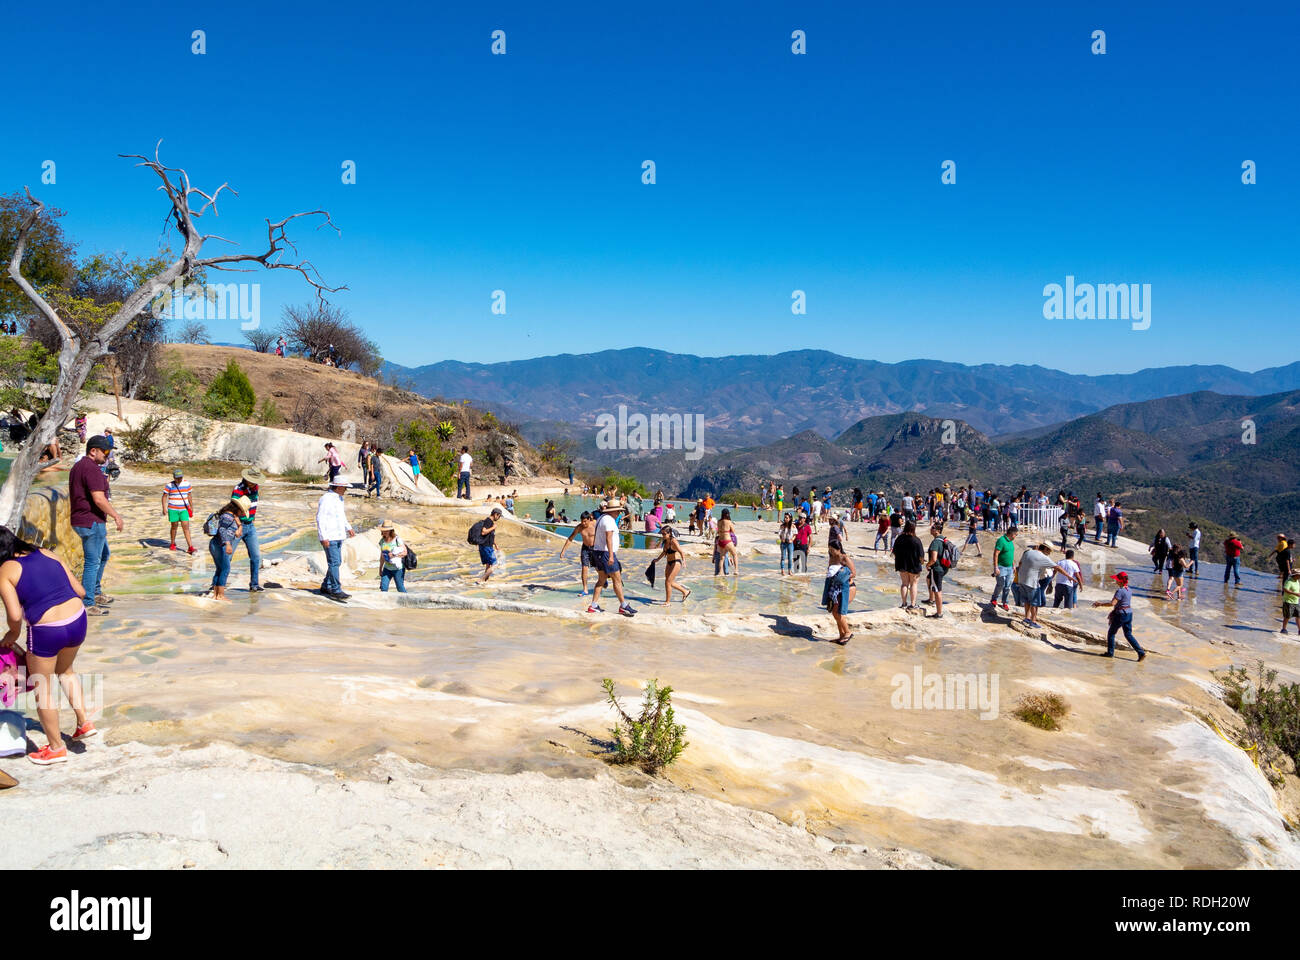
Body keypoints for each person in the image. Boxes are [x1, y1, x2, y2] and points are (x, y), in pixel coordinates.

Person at [0, 527, 97, 765]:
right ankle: (84, 723)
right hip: (78, 619)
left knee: (42, 687)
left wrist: (11, 635)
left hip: (46, 630)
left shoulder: (4, 571)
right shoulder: (46, 553)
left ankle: (55, 748)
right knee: (66, 671)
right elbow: (81, 591)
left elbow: (14, 616)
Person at [68, 436, 122, 616]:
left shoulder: (78, 466)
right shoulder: (91, 469)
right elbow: (98, 499)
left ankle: (96, 592)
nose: (107, 455)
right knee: (92, 562)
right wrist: (115, 515)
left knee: (104, 554)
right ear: (93, 451)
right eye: (105, 451)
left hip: (81, 520)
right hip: (91, 521)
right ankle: (88, 602)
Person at [589, 500, 635, 617]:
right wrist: (610, 556)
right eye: (619, 511)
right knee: (617, 580)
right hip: (605, 553)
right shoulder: (609, 521)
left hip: (598, 552)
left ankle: (593, 606)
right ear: (613, 511)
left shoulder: (601, 518)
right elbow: (608, 538)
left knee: (601, 580)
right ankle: (623, 606)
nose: (620, 513)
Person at [316, 473, 356, 600]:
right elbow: (320, 518)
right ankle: (336, 590)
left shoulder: (339, 498)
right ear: (338, 487)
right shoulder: (326, 499)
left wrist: (348, 527)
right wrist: (323, 536)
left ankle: (326, 585)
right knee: (334, 562)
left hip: (338, 534)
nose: (346, 490)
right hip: (330, 535)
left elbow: (341, 515)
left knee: (336, 562)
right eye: (345, 488)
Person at [1093, 572, 1146, 661]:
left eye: (1117, 580)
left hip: (1121, 615)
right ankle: (1141, 652)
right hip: (1129, 613)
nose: (1116, 581)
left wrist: (1100, 604)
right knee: (1128, 634)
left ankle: (1110, 653)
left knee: (1111, 633)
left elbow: (1112, 603)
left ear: (1120, 581)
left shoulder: (1120, 591)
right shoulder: (1129, 589)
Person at [231, 467, 266, 592]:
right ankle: (216, 584)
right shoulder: (238, 489)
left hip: (250, 526)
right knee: (227, 556)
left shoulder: (255, 487)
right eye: (252, 480)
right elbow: (233, 510)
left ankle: (254, 584)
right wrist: (239, 525)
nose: (254, 483)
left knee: (256, 556)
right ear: (246, 479)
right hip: (237, 525)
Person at [207, 496, 249, 601]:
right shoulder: (228, 516)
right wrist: (228, 544)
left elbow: (230, 530)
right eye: (243, 511)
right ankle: (220, 595)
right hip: (220, 545)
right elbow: (222, 530)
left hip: (216, 544)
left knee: (220, 569)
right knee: (225, 569)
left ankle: (216, 594)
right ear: (238, 508)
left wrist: (239, 526)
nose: (243, 514)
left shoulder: (230, 516)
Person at [1014, 542, 1055, 629]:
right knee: (1035, 602)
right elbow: (1056, 568)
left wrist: (1019, 575)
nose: (1049, 553)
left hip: (1024, 580)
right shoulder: (1043, 557)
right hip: (1035, 581)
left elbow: (1020, 564)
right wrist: (1069, 577)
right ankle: (1033, 621)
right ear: (1045, 549)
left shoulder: (1028, 553)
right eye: (1049, 551)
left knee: (1027, 601)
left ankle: (1027, 618)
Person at [823, 543, 856, 644]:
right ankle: (841, 635)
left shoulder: (845, 558)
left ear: (839, 549)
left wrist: (842, 577)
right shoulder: (831, 559)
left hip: (846, 588)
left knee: (839, 612)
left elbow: (854, 573)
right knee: (834, 612)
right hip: (834, 589)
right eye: (829, 549)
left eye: (832, 549)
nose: (830, 551)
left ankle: (847, 632)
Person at [559, 511, 597, 595]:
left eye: (585, 521)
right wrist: (563, 551)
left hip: (595, 548)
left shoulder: (595, 524)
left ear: (589, 519)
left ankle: (603, 580)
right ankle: (585, 589)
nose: (583, 523)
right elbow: (570, 538)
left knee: (598, 568)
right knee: (584, 568)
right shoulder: (579, 528)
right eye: (582, 521)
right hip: (585, 548)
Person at [651, 526, 690, 603]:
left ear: (669, 533)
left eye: (664, 534)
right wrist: (657, 559)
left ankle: (667, 602)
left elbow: (681, 552)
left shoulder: (673, 541)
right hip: (669, 563)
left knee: (668, 582)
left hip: (676, 562)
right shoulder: (665, 541)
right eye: (662, 534)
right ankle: (685, 592)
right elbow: (664, 552)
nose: (663, 535)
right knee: (669, 582)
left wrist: (684, 561)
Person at [162, 468, 196, 554]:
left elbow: (189, 496)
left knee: (186, 527)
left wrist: (192, 507)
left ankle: (190, 547)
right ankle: (172, 543)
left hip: (184, 509)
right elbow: (164, 497)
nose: (179, 479)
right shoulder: (169, 485)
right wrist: (164, 508)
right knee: (174, 526)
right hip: (173, 509)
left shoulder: (187, 483)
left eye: (180, 477)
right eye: (177, 478)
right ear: (174, 477)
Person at [892, 520, 925, 610]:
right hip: (914, 565)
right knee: (913, 584)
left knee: (904, 584)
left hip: (902, 564)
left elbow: (894, 552)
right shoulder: (916, 540)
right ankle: (913, 604)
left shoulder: (899, 538)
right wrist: (922, 563)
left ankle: (903, 603)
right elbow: (921, 556)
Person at [472, 508, 503, 583]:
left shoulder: (489, 521)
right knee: (495, 564)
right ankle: (481, 580)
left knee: (488, 565)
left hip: (485, 546)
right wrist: (493, 527)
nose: (499, 518)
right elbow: (483, 532)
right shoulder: (489, 521)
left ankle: (485, 581)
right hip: (486, 547)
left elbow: (491, 535)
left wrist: (495, 544)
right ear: (496, 514)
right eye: (499, 516)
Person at [991, 526, 1016, 611]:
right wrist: (996, 567)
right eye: (1015, 535)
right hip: (1001, 567)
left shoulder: (1011, 542)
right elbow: (996, 554)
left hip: (1009, 567)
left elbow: (1011, 554)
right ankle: (994, 599)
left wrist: (1013, 565)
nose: (1016, 536)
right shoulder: (1001, 540)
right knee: (1000, 584)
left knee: (1007, 586)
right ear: (1012, 534)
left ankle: (1005, 602)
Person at [378, 521, 408, 593]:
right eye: (383, 530)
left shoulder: (397, 539)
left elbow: (405, 552)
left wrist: (394, 555)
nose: (384, 532)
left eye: (386, 531)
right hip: (387, 568)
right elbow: (382, 556)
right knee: (383, 587)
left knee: (400, 587)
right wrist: (380, 568)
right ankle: (384, 603)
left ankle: (407, 602)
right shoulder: (382, 541)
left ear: (390, 531)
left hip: (398, 569)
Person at [715, 508, 739, 576]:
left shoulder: (718, 521)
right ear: (727, 514)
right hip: (727, 540)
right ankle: (736, 570)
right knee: (734, 554)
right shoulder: (728, 522)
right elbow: (733, 531)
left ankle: (720, 572)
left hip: (720, 541)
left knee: (722, 558)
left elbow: (718, 531)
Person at [1281, 570, 1300, 635]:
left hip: (1296, 601)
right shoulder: (1289, 581)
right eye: (1299, 575)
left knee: (1298, 616)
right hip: (1288, 601)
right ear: (1295, 575)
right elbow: (1285, 589)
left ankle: (1299, 630)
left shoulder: (1297, 581)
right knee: (1287, 616)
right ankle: (1284, 628)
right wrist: (1295, 594)